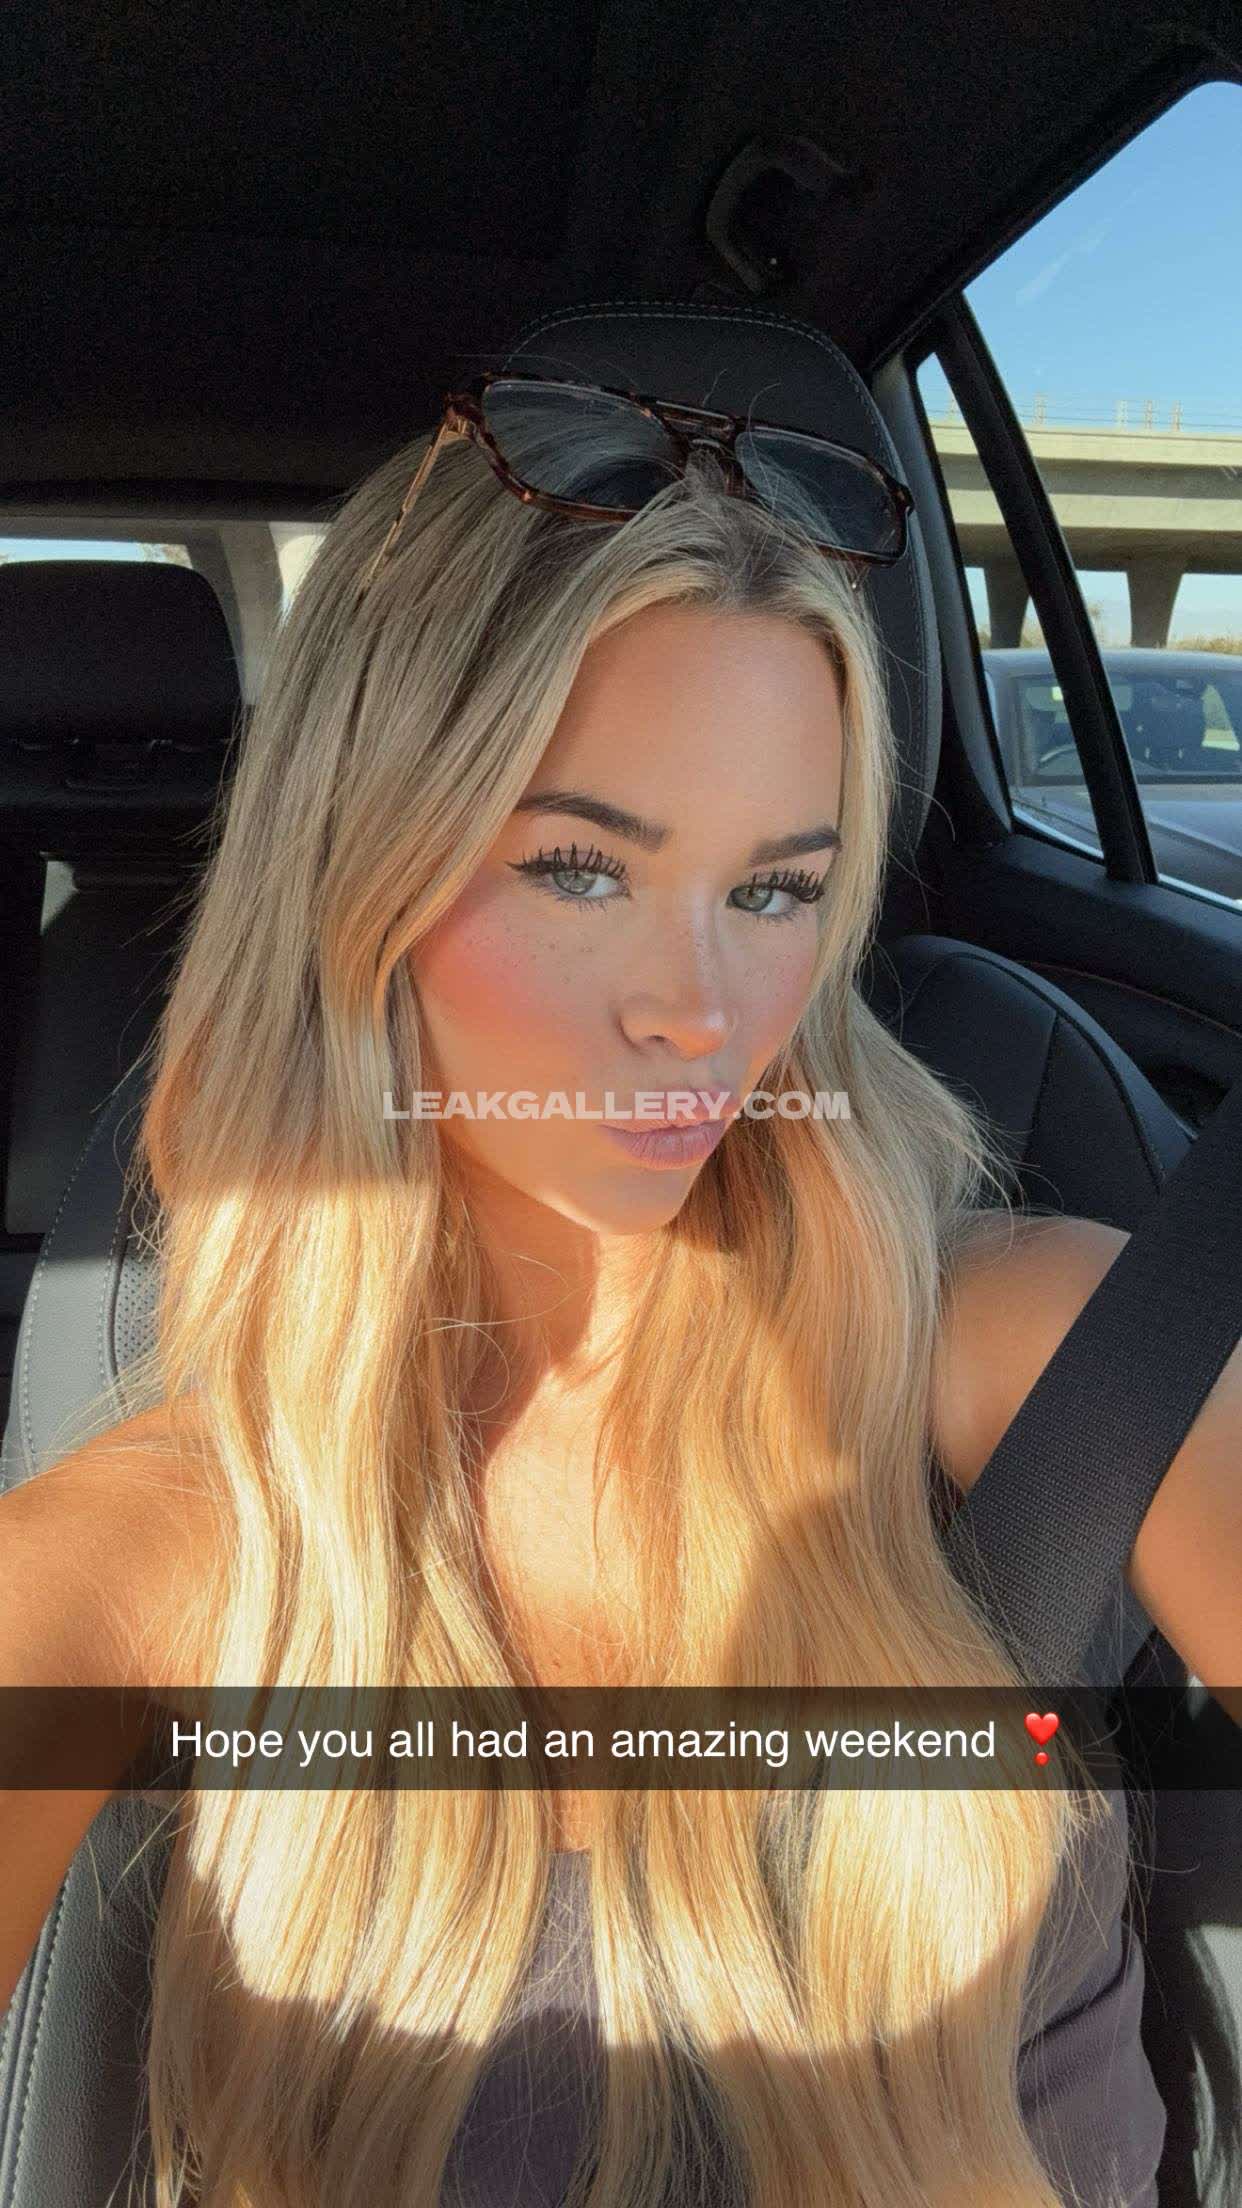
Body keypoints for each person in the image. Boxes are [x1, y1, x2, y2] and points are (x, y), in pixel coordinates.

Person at [13, 364, 1177, 2206]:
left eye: (772, 891)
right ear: (358, 883)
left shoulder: (1028, 1347)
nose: (698, 1015)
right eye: (577, 868)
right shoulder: (160, 1548)